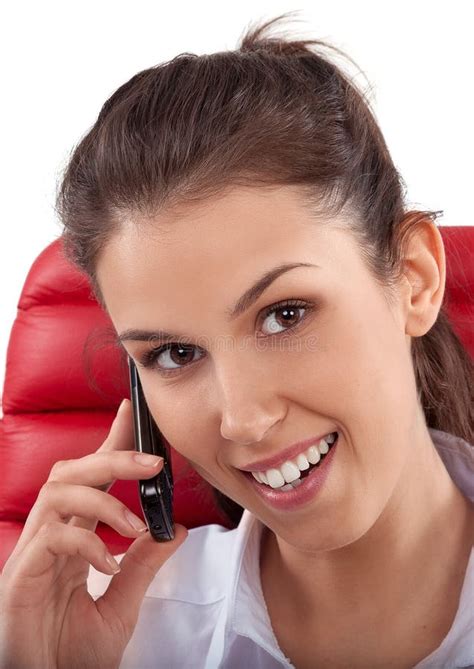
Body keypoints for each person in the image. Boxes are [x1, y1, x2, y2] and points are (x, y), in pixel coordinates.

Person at [1, 11, 473, 669]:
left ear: (414, 281)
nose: (245, 420)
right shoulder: (127, 635)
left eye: (285, 315)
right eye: (175, 353)